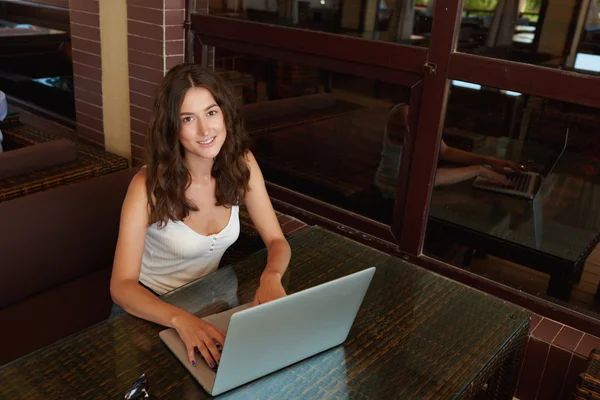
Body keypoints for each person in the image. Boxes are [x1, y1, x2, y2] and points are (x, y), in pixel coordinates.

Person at [110, 64, 291, 370]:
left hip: (210, 302)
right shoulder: (146, 186)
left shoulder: (242, 163)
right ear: (171, 127)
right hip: (147, 314)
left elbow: (276, 240)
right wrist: (180, 320)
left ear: (225, 114)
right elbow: (122, 286)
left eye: (211, 112)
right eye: (188, 119)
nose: (205, 130)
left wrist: (271, 276)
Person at [374, 103, 524, 198]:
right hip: (389, 197)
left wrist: (490, 161)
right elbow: (427, 179)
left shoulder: (421, 116)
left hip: (414, 189)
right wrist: (480, 170)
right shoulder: (404, 114)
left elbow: (444, 151)